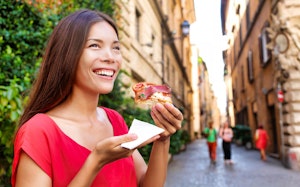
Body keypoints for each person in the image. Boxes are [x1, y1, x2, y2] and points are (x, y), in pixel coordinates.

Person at [11, 9, 183, 187]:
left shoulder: (114, 120)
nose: (110, 57)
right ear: (67, 54)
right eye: (95, 45)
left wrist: (162, 140)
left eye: (116, 47)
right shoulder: (38, 131)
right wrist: (96, 161)